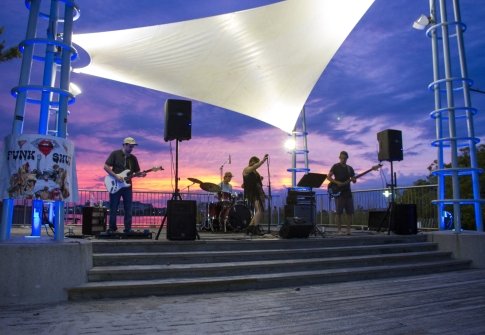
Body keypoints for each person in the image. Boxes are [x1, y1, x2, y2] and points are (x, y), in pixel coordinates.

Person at [104, 137, 146, 233]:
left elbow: (137, 172)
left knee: (128, 208)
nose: (131, 148)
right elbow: (106, 166)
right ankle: (112, 228)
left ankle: (128, 229)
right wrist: (115, 176)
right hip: (115, 185)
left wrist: (141, 175)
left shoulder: (133, 158)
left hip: (127, 187)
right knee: (113, 207)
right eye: (130, 146)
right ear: (125, 145)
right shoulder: (115, 154)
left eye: (133, 147)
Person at [327, 151, 356, 235]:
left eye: (344, 158)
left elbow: (354, 180)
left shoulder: (350, 168)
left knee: (349, 212)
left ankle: (348, 230)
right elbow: (328, 177)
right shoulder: (335, 166)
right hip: (339, 193)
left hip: (348, 192)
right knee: (339, 212)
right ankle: (339, 230)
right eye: (341, 158)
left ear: (347, 158)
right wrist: (336, 182)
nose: (343, 159)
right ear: (339, 157)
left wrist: (354, 179)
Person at [242, 154, 268, 235]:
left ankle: (250, 228)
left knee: (260, 211)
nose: (255, 164)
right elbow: (254, 167)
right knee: (259, 210)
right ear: (251, 161)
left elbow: (255, 182)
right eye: (254, 162)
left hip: (258, 192)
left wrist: (260, 179)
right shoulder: (247, 169)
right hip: (253, 193)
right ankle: (255, 229)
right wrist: (263, 160)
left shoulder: (255, 172)